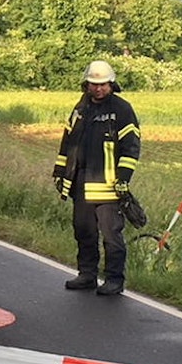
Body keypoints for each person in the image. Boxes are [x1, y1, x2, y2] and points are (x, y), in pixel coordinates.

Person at [52, 60, 141, 296]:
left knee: (111, 235)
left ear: (111, 84)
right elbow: (67, 144)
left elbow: (131, 147)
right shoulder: (80, 109)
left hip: (109, 186)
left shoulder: (122, 110)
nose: (98, 89)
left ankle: (114, 279)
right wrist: (60, 172)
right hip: (81, 183)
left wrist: (123, 179)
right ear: (87, 84)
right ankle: (87, 274)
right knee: (83, 231)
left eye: (103, 84)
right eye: (94, 84)